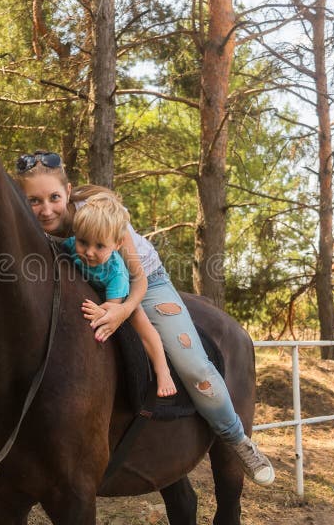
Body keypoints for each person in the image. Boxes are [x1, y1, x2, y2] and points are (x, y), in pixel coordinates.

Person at [14, 150, 276, 487]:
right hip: (89, 277)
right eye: (34, 201)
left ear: (68, 191)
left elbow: (135, 279)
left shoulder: (102, 216)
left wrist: (122, 310)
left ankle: (236, 437)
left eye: (53, 197)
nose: (46, 209)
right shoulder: (29, 228)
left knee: (193, 363)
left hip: (145, 284)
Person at [63, 192, 178, 398]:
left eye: (99, 246)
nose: (89, 252)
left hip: (117, 298)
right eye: (83, 242)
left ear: (116, 244)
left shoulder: (116, 273)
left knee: (141, 323)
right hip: (92, 288)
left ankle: (163, 370)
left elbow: (112, 309)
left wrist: (101, 312)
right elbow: (59, 245)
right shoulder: (73, 244)